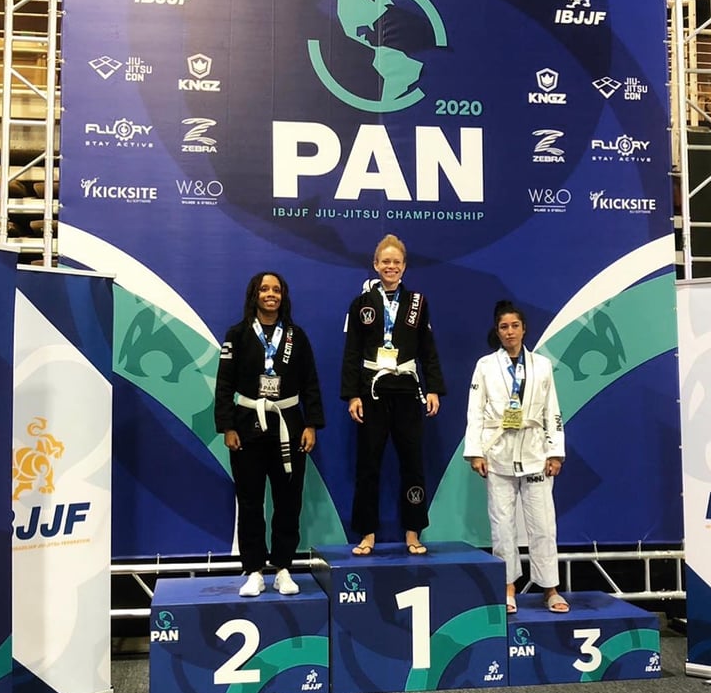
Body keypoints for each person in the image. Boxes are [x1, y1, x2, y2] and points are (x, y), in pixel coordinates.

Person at [215, 272, 324, 596]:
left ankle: (283, 568)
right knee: (250, 502)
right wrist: (227, 426)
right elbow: (224, 384)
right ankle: (253, 570)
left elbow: (310, 382)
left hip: (289, 425)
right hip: (247, 425)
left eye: (276, 289)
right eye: (264, 289)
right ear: (255, 295)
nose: (271, 294)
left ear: (283, 296)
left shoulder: (295, 336)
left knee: (288, 500)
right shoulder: (236, 335)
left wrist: (311, 424)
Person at [341, 234, 446, 556]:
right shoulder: (361, 304)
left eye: (396, 262)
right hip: (372, 391)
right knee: (368, 464)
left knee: (412, 463)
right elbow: (352, 352)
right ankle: (367, 533)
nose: (391, 266)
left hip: (407, 389)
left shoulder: (417, 303)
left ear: (404, 267)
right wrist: (352, 395)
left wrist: (433, 388)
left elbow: (428, 349)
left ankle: (413, 531)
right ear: (376, 265)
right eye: (385, 261)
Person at [463, 300, 568, 614]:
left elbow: (552, 410)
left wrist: (555, 452)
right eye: (504, 327)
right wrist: (475, 452)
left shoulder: (542, 365)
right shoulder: (485, 365)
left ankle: (550, 588)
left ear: (524, 329)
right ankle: (507, 587)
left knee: (543, 525)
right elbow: (475, 411)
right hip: (498, 453)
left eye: (514, 326)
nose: (509, 332)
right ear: (497, 332)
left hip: (535, 452)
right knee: (502, 525)